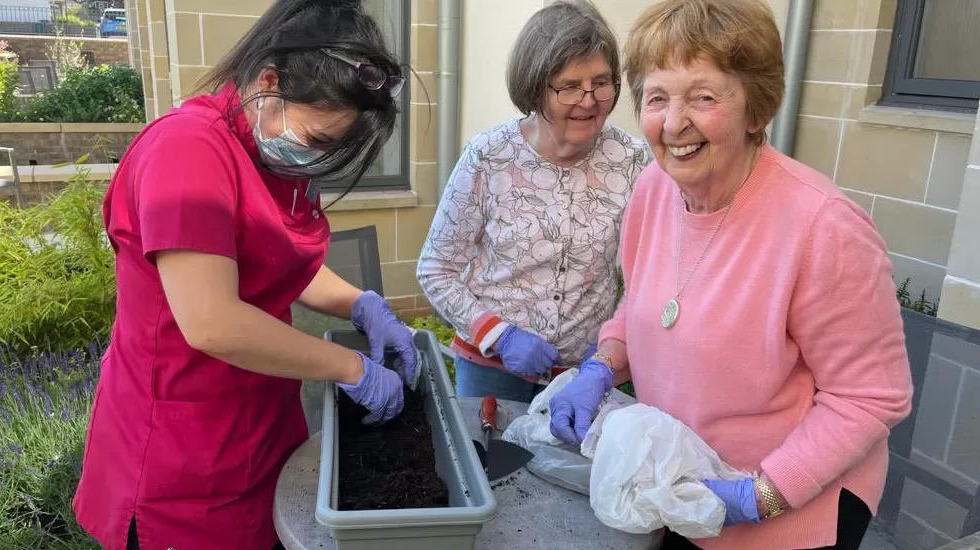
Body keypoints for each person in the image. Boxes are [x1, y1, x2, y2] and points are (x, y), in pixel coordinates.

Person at [548, 1, 914, 549]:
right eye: (657, 98)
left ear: (754, 108)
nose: (674, 124)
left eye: (703, 97)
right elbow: (642, 306)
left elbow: (870, 396)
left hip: (786, 516)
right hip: (680, 485)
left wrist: (761, 494)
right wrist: (602, 365)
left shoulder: (822, 227)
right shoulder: (653, 190)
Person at [71, 2, 419, 549]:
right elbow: (213, 323)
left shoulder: (270, 151)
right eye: (319, 141)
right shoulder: (187, 151)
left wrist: (361, 304)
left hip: (259, 423)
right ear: (269, 83)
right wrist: (352, 367)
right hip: (181, 454)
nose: (317, 160)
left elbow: (277, 262)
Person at [416, 0, 653, 403]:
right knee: (487, 463)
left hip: (581, 378)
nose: (589, 99)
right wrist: (498, 333)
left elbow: (645, 278)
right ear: (533, 85)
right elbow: (436, 269)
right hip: (490, 369)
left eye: (601, 81)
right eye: (569, 86)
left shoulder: (634, 162)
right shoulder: (488, 157)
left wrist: (608, 358)